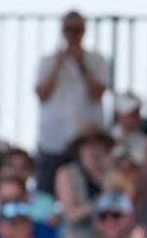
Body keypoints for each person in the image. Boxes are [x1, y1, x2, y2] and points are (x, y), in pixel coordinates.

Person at [35, 11, 109, 193]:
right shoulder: (48, 61)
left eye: (77, 30)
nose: (72, 35)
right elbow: (41, 93)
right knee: (46, 193)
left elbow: (98, 92)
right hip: (53, 141)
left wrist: (81, 64)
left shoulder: (97, 60)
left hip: (85, 144)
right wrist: (58, 64)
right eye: (69, 30)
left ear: (84, 31)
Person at [55, 122, 116, 238]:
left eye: (97, 142)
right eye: (86, 143)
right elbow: (71, 216)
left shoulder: (112, 172)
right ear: (79, 148)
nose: (92, 148)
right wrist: (101, 200)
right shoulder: (67, 173)